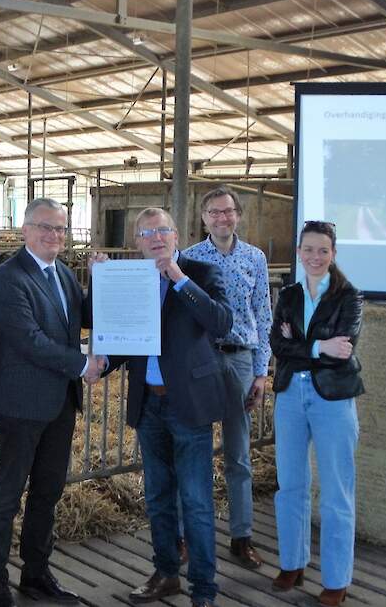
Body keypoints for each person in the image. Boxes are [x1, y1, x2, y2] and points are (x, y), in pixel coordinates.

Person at [89, 207, 232, 607]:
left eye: (163, 230)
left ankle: (204, 588)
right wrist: (100, 363)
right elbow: (122, 340)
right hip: (149, 402)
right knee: (157, 496)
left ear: (177, 235)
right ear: (136, 242)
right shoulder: (131, 279)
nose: (156, 237)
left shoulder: (201, 273)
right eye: (146, 232)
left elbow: (221, 322)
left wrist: (178, 278)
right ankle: (166, 572)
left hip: (188, 404)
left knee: (197, 500)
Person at [0, 198, 100, 607]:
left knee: (48, 491)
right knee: (7, 494)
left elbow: (86, 317)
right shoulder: (8, 278)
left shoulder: (65, 275)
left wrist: (103, 282)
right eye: (45, 227)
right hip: (22, 402)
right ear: (25, 230)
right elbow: (28, 339)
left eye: (61, 230)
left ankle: (36, 572)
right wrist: (81, 364)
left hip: (60, 403)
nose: (54, 236)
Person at [269, 220, 364, 607]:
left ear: (334, 254)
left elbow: (344, 346)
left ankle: (336, 579)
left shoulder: (349, 297)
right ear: (299, 252)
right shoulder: (289, 294)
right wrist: (316, 347)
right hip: (291, 394)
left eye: (323, 250)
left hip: (333, 398)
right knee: (290, 484)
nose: (315, 257)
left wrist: (305, 344)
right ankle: (293, 562)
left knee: (336, 492)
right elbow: (277, 342)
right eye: (308, 249)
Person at [183, 186, 271, 569]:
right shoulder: (189, 258)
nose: (223, 218)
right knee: (193, 451)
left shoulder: (255, 258)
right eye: (215, 213)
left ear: (238, 215)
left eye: (228, 211)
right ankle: (189, 536)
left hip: (239, 359)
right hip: (201, 360)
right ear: (203, 219)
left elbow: (263, 316)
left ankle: (242, 536)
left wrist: (262, 371)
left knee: (238, 453)